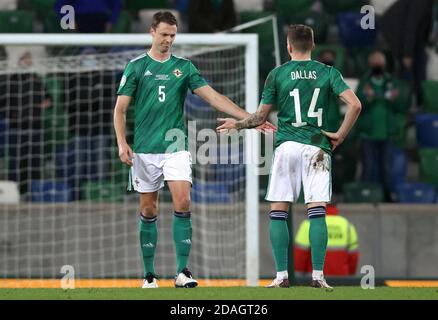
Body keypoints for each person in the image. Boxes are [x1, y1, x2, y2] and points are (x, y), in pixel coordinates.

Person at [113, 11, 274, 289]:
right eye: (164, 34)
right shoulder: (136, 67)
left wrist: (252, 119)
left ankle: (182, 272)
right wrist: (122, 143)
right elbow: (120, 109)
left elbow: (215, 98)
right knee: (149, 210)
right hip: (145, 149)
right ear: (152, 32)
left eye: (173, 35)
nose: (168, 40)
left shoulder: (184, 67)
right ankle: (149, 275)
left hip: (176, 146)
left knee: (183, 200)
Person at [217, 24, 362, 290]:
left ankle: (281, 275)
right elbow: (355, 104)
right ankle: (318, 276)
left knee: (278, 211)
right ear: (313, 45)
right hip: (317, 146)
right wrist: (339, 135)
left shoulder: (277, 74)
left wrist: (236, 125)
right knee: (317, 211)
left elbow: (260, 118)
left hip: (286, 147)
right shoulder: (328, 72)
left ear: (288, 46)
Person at [356, 50, 401, 198]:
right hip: (368, 133)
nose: (377, 65)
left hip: (387, 133)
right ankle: (364, 196)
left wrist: (394, 100)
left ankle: (388, 197)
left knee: (386, 168)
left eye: (379, 63)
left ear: (384, 64)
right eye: (374, 63)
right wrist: (368, 98)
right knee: (368, 167)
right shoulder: (364, 83)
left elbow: (400, 106)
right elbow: (357, 105)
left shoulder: (391, 82)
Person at [294, 204, 359, 276]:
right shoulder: (347, 225)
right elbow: (353, 257)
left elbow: (300, 255)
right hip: (341, 279)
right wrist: (350, 277)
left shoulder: (308, 224)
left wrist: (299, 277)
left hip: (315, 279)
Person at [54, 0, 121, 33]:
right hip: (79, 23)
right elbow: (59, 6)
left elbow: (116, 5)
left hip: (101, 22)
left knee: (101, 53)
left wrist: (111, 21)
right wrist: (70, 21)